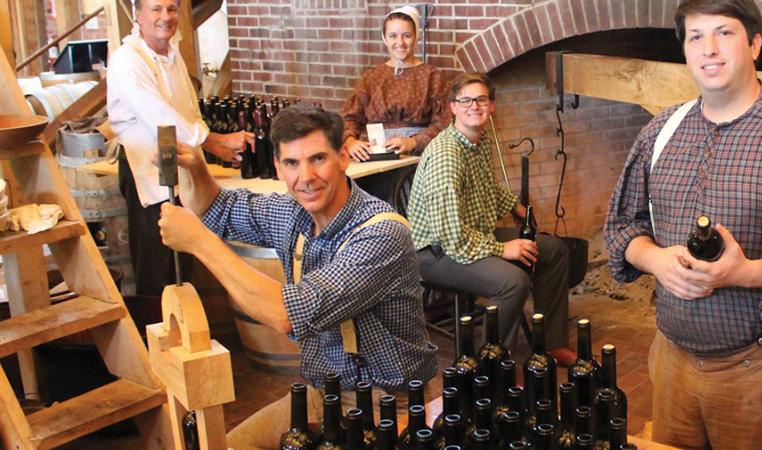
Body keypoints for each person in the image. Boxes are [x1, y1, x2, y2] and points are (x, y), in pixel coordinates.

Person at [602, 0, 762, 448]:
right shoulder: (660, 131)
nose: (710, 49)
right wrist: (655, 259)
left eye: (724, 33)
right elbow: (622, 225)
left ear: (755, 44)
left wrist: (745, 273)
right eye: (696, 37)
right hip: (671, 363)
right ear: (685, 51)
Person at [157, 104, 438, 449]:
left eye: (317, 159)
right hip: (323, 393)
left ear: (343, 157)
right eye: (292, 163)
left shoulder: (379, 234)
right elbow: (216, 207)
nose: (305, 177)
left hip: (386, 404)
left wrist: (201, 243)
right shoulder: (292, 213)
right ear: (277, 166)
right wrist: (199, 170)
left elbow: (286, 314)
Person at [407, 72, 576, 365]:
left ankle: (551, 343)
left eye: (481, 99)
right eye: (466, 100)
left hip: (472, 235)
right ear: (453, 107)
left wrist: (516, 207)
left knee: (553, 250)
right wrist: (503, 249)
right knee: (512, 282)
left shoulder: (478, 140)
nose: (475, 106)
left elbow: (485, 189)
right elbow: (453, 238)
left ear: (492, 104)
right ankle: (494, 366)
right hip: (436, 253)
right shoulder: (447, 155)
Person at [107, 0, 252, 296]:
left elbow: (189, 113)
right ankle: (159, 333)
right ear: (138, 15)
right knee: (156, 263)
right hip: (147, 171)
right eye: (156, 9)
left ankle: (188, 329)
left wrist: (208, 150)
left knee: (183, 258)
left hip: (179, 167)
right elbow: (159, 116)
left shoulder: (173, 56)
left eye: (172, 9)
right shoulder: (127, 59)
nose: (166, 17)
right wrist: (213, 142)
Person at [340, 4, 451, 161]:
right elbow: (350, 118)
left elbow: (445, 123)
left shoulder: (432, 76)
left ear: (416, 37)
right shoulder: (371, 77)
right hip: (375, 158)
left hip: (419, 157)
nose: (400, 42)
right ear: (385, 38)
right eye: (393, 36)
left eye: (406, 35)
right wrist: (350, 141)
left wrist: (413, 141)